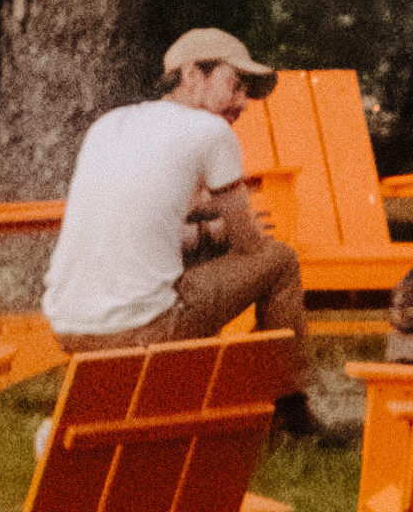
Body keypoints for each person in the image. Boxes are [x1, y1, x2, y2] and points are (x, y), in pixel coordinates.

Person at [40, 25, 317, 430]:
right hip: (140, 328)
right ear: (191, 75)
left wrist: (205, 231)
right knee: (279, 261)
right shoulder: (211, 131)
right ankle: (291, 414)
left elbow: (137, 223)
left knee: (198, 261)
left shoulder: (110, 123)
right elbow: (250, 245)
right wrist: (221, 231)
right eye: (235, 84)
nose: (242, 102)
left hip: (67, 324)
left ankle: (191, 401)